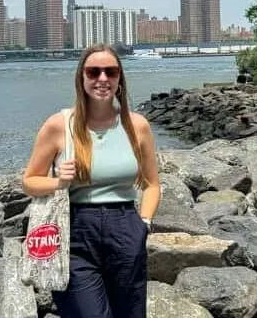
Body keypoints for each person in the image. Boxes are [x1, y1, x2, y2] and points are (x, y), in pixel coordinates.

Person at [22, 44, 161, 318]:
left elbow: (152, 184)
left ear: (120, 79)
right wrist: (58, 182)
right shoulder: (59, 125)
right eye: (93, 71)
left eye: (111, 72)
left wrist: (143, 224)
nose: (102, 79)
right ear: (81, 78)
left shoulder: (136, 125)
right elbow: (29, 181)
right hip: (75, 231)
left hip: (125, 227)